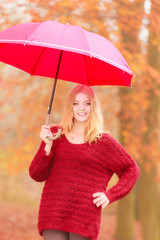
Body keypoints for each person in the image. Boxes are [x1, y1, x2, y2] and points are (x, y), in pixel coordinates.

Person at [29, 84, 140, 240]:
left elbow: (132, 169)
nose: (81, 108)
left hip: (84, 215)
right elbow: (36, 174)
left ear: (93, 107)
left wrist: (110, 195)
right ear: (70, 107)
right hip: (53, 211)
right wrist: (47, 147)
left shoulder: (103, 142)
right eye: (76, 103)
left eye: (87, 103)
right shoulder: (54, 134)